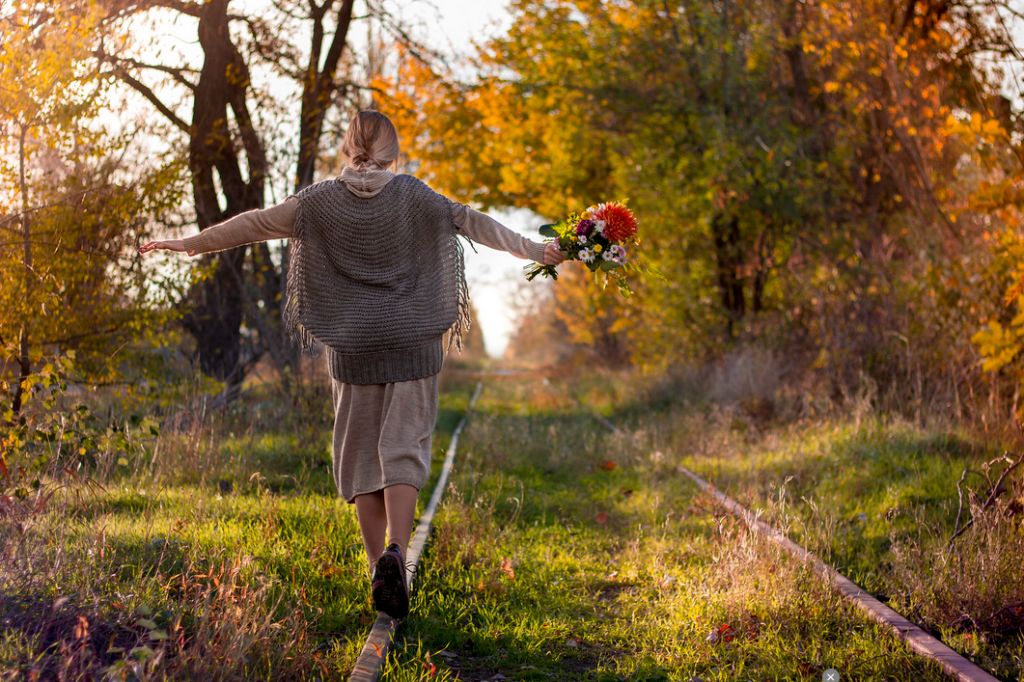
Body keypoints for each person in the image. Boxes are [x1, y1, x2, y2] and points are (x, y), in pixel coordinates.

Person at [140, 110, 564, 619]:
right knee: (403, 449)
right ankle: (397, 558)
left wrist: (187, 242)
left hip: (352, 345)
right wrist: (539, 249)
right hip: (413, 341)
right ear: (393, 148)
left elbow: (251, 224)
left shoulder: (316, 203)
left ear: (347, 148)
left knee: (362, 456)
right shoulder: (416, 195)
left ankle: (374, 569)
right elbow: (474, 223)